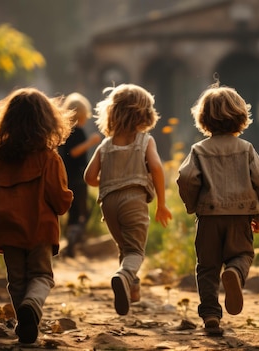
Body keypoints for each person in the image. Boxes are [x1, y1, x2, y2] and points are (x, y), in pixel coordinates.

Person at [0, 87, 74, 344]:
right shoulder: (49, 158)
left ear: (6, 122)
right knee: (41, 276)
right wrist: (68, 198)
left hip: (6, 228)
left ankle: (25, 323)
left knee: (16, 279)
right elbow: (59, 201)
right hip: (40, 229)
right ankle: (31, 307)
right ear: (47, 122)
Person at [176, 82, 259, 335]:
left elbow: (185, 178)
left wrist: (192, 205)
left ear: (203, 118)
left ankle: (210, 315)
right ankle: (234, 274)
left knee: (206, 267)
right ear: (240, 116)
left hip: (208, 217)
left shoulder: (199, 150)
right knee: (243, 254)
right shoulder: (246, 149)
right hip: (240, 216)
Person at [84, 83, 172, 316]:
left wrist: (109, 182)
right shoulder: (145, 141)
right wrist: (161, 204)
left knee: (125, 247)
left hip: (108, 203)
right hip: (134, 199)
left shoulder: (105, 145)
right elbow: (156, 168)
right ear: (146, 114)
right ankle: (123, 276)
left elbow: (89, 177)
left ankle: (132, 290)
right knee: (135, 252)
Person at [58, 92, 102, 258]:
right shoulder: (78, 132)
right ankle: (74, 240)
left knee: (74, 211)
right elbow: (74, 152)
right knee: (82, 210)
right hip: (76, 177)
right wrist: (90, 142)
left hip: (65, 177)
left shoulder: (64, 132)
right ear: (80, 115)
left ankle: (72, 240)